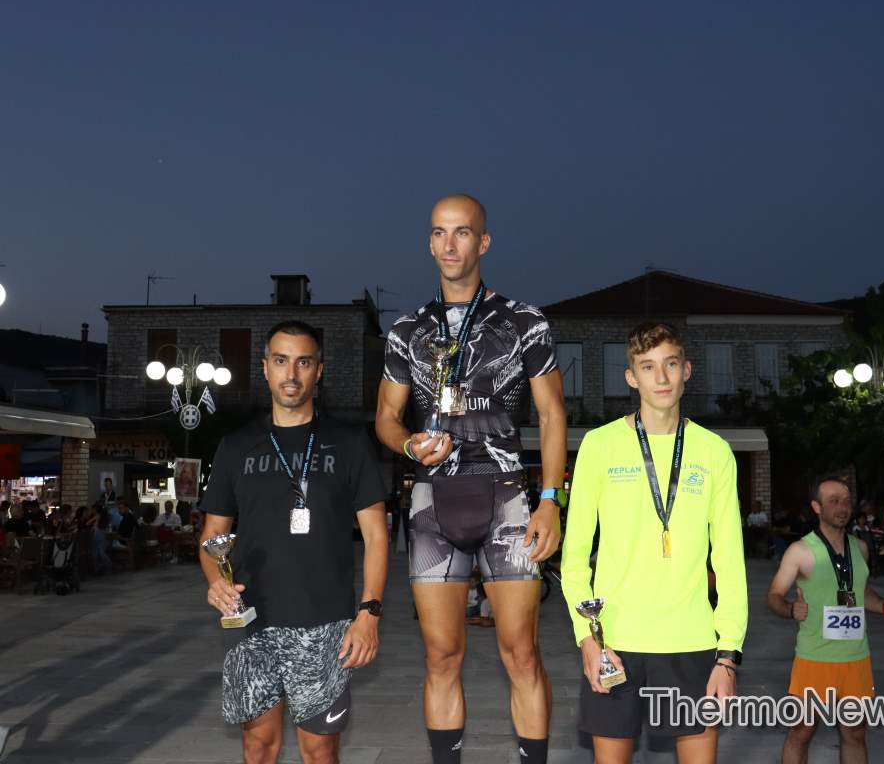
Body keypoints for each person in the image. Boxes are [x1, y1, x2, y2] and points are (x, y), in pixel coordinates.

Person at [375, 194, 567, 764]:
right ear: (429, 242)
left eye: (462, 232)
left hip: (507, 497)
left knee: (522, 655)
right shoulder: (407, 329)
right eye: (439, 232)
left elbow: (552, 415)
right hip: (432, 503)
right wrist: (408, 443)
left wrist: (551, 500)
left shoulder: (524, 321)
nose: (449, 243)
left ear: (483, 242)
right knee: (441, 657)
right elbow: (385, 418)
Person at [200, 320, 389, 764]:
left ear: (318, 371)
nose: (291, 374)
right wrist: (215, 581)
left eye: (303, 362)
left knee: (319, 752)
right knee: (258, 747)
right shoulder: (236, 446)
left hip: (325, 622)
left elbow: (377, 535)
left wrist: (369, 613)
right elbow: (212, 536)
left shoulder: (349, 443)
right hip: (250, 621)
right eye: (281, 361)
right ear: (265, 368)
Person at [561, 322, 746, 763]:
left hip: (692, 644)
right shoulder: (599, 445)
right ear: (631, 377)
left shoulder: (715, 451)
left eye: (670, 365)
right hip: (614, 643)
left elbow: (730, 562)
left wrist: (727, 656)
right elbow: (574, 558)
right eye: (647, 367)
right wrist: (588, 639)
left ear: (687, 370)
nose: (661, 378)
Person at [767, 475, 884, 764]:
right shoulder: (800, 551)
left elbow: (858, 592)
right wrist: (790, 609)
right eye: (833, 501)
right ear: (816, 507)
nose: (842, 507)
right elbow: (774, 595)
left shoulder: (860, 548)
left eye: (846, 501)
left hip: (856, 658)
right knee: (801, 732)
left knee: (855, 734)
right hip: (815, 659)